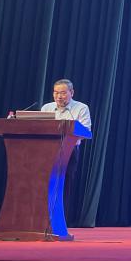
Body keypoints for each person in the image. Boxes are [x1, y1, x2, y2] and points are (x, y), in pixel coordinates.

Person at [41, 79, 91, 218]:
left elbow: (86, 132)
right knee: (45, 184)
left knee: (64, 184)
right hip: (46, 151)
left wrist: (71, 131)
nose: (59, 96)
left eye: (63, 93)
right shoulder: (47, 108)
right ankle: (42, 217)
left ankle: (59, 219)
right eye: (56, 93)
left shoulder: (81, 108)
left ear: (71, 93)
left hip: (69, 152)